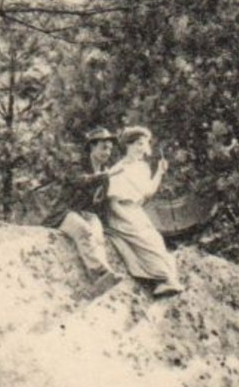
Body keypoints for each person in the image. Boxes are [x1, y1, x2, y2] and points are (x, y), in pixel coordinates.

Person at [100, 126, 184, 297]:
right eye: (138, 144)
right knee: (144, 239)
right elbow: (112, 200)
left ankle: (166, 280)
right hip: (119, 212)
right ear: (128, 146)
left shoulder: (143, 167)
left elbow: (148, 192)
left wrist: (159, 172)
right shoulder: (119, 168)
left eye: (144, 144)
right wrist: (125, 219)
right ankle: (163, 278)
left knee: (155, 239)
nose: (141, 148)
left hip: (135, 210)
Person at [50, 126, 119, 281]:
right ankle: (98, 273)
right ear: (91, 147)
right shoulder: (77, 166)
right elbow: (80, 181)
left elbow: (100, 202)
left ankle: (106, 272)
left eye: (110, 149)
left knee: (97, 232)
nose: (107, 153)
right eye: (103, 148)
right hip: (64, 213)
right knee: (83, 230)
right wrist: (101, 176)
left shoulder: (104, 174)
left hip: (85, 214)